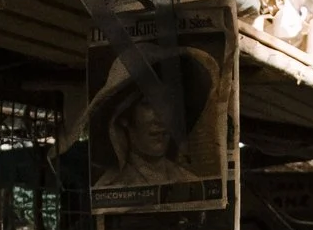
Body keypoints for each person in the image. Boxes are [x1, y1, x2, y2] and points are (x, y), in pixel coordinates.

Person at [87, 46, 219, 191]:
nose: (162, 118)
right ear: (124, 116)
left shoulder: (191, 183)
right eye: (148, 105)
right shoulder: (110, 187)